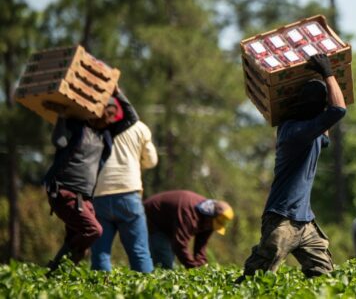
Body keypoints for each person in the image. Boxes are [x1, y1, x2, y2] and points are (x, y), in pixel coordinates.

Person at [235, 54, 347, 282]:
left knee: (324, 276)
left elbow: (328, 126)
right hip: (282, 219)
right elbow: (338, 111)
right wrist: (328, 73)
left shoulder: (311, 131)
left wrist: (323, 81)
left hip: (304, 221)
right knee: (257, 278)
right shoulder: (293, 132)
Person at [43, 87, 131, 275]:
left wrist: (117, 92)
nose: (108, 118)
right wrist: (61, 116)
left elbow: (131, 118)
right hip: (64, 192)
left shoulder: (106, 135)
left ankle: (54, 277)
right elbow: (58, 142)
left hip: (85, 199)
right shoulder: (78, 127)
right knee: (94, 231)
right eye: (106, 113)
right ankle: (57, 272)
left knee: (79, 244)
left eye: (111, 115)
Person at [90, 92, 158, 273]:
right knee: (139, 251)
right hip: (128, 193)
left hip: (99, 196)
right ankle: (146, 293)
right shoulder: (139, 127)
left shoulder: (95, 129)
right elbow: (151, 161)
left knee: (100, 253)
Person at [143, 190, 234, 269]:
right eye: (214, 223)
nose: (212, 227)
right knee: (164, 261)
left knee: (168, 261)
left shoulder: (209, 221)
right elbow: (179, 244)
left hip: (169, 225)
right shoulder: (189, 213)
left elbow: (201, 246)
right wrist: (193, 267)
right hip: (152, 218)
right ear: (210, 215)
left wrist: (201, 266)